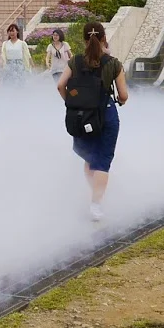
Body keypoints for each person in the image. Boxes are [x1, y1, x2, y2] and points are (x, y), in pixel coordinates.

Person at [57, 23, 128, 221]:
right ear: (105, 38)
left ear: (84, 39)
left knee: (90, 159)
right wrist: (120, 101)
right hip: (106, 115)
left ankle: (95, 195)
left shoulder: (75, 62)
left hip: (81, 117)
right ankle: (96, 204)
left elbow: (60, 85)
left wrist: (72, 103)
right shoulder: (113, 63)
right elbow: (123, 95)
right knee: (102, 161)